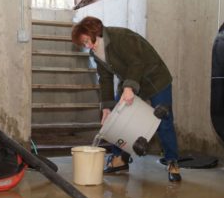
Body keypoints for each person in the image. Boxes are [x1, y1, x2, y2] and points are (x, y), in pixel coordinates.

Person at [71, 16, 181, 182]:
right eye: (83, 44)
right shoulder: (96, 53)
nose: (87, 46)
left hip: (156, 79)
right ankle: (119, 159)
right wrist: (107, 108)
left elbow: (137, 62)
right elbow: (105, 79)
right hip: (131, 80)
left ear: (95, 32)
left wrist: (128, 88)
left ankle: (172, 161)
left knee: (163, 120)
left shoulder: (121, 37)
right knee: (117, 118)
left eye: (87, 41)